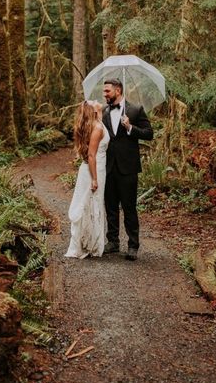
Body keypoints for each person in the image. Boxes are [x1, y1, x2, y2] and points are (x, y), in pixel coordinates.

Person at [102, 78, 153, 261]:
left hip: (128, 168)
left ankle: (133, 245)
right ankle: (113, 242)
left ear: (118, 90)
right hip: (108, 167)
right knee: (111, 207)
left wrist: (130, 127)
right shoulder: (104, 111)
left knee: (129, 208)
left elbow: (149, 134)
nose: (105, 94)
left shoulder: (135, 110)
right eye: (104, 91)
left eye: (107, 91)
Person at [65, 100, 110, 259]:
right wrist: (95, 179)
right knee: (91, 204)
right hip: (94, 170)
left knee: (93, 204)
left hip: (96, 168)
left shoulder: (97, 123)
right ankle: (89, 244)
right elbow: (91, 155)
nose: (97, 101)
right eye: (94, 102)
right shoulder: (97, 128)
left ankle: (90, 242)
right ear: (92, 110)